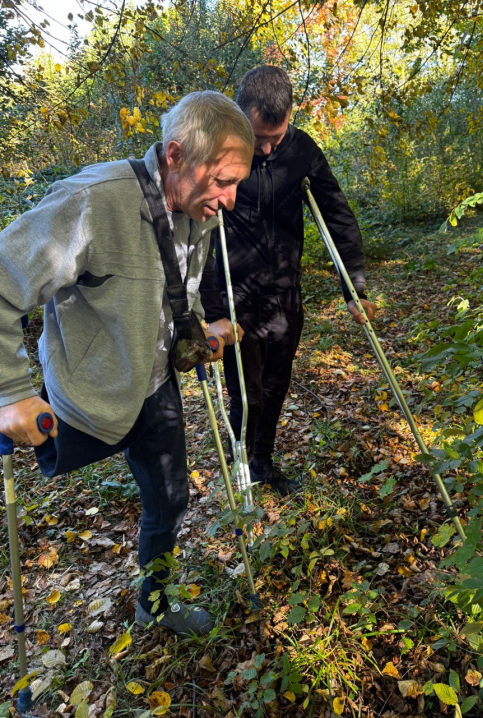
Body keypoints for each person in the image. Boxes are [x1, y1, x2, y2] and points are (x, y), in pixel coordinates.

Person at [0, 91, 253, 635]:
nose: (231, 199)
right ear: (174, 155)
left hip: (153, 386)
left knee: (171, 497)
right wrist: (11, 392)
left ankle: (154, 602)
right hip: (85, 392)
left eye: (238, 182)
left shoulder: (195, 209)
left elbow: (178, 283)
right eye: (223, 181)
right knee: (35, 446)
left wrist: (198, 328)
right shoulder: (92, 202)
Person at [201, 66, 377, 495]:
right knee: (247, 392)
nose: (263, 148)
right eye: (256, 136)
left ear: (290, 117)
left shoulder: (302, 151)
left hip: (285, 295)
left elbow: (336, 215)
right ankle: (241, 464)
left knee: (277, 385)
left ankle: (264, 461)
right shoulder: (217, 148)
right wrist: (207, 309)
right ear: (240, 112)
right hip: (235, 297)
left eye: (273, 139)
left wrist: (354, 287)